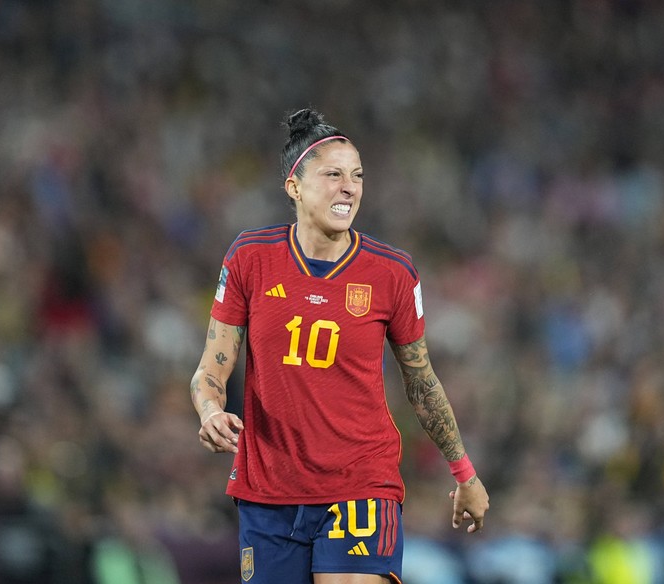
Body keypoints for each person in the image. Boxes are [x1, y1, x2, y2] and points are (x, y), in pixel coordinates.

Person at [190, 108, 489, 584]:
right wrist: (209, 411)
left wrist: (464, 472)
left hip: (361, 483)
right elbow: (210, 369)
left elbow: (421, 381)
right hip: (269, 488)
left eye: (357, 176)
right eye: (333, 175)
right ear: (294, 185)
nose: (349, 187)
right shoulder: (250, 258)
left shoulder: (392, 273)